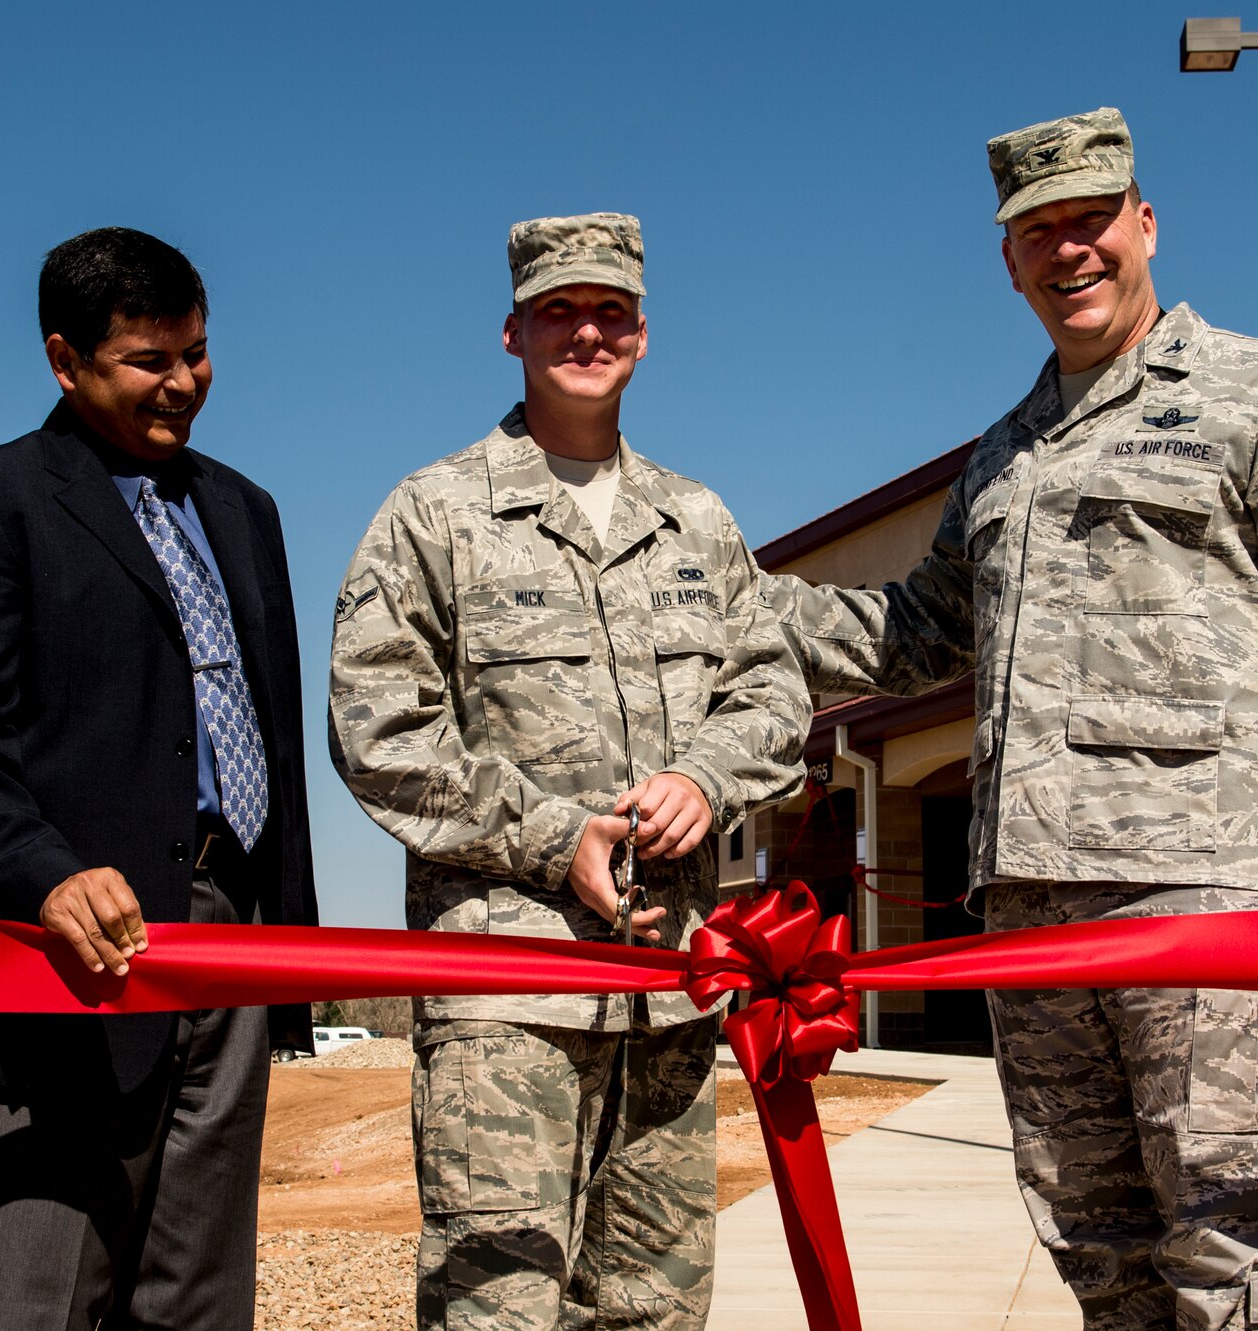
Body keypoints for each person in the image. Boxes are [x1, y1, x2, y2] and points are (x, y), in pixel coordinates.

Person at [766, 109, 1258, 1330]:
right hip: (1030, 905)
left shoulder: (1257, 396)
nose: (1071, 253)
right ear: (1008, 260)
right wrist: (742, 607)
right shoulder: (1005, 454)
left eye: (1091, 221)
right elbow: (917, 634)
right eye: (1038, 232)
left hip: (1197, 895)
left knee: (1225, 1241)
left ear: (1144, 223)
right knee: (1091, 1239)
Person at [328, 212, 809, 1331]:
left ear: (643, 333)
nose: (584, 330)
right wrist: (556, 835)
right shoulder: (432, 515)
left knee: (651, 1310)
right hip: (508, 999)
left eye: (608, 311)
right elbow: (379, 728)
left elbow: (771, 690)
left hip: (669, 994)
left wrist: (707, 776)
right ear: (511, 332)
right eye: (557, 310)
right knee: (494, 1308)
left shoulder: (697, 520)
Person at [0, 226, 319, 1330]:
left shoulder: (244, 510)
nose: (184, 382)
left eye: (198, 352)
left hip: (227, 947)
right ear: (63, 358)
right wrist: (46, 874)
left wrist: (276, 936)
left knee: (196, 1305)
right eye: (149, 359)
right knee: (31, 1301)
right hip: (57, 962)